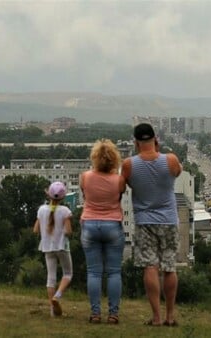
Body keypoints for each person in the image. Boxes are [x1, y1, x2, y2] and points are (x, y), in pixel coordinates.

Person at [121, 123, 182, 327]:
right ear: (155, 139)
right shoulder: (171, 160)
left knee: (150, 266)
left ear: (136, 142)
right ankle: (170, 316)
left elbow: (126, 185)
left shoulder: (129, 164)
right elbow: (177, 173)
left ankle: (156, 317)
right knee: (169, 267)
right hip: (169, 220)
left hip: (144, 220)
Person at [79, 139, 126, 324]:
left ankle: (95, 313)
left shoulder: (85, 177)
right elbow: (119, 196)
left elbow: (85, 194)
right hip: (113, 225)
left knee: (94, 273)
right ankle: (113, 314)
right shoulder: (119, 180)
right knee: (114, 272)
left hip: (90, 225)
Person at [33, 181, 73, 317]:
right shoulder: (65, 211)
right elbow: (68, 231)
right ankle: (58, 295)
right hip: (62, 246)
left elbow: (35, 230)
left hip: (47, 247)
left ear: (48, 195)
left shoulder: (41, 210)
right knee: (67, 274)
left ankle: (52, 311)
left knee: (51, 278)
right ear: (62, 197)